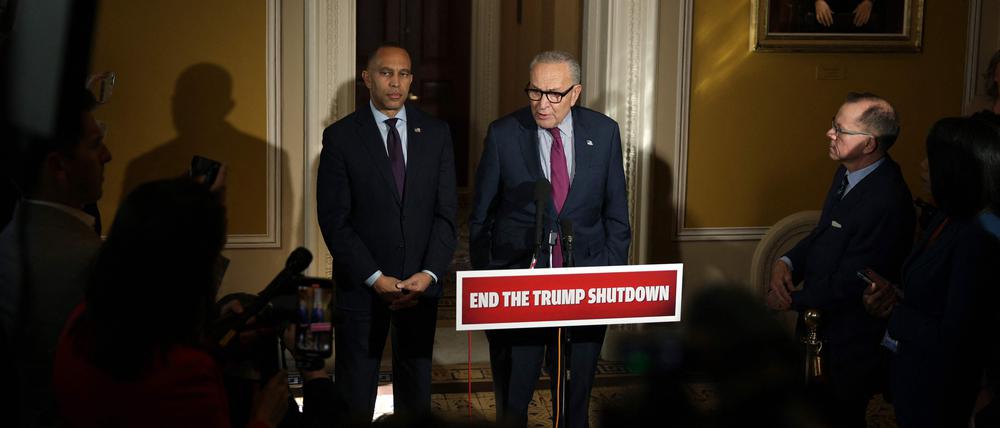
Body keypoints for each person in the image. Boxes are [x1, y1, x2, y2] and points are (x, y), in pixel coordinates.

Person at [468, 50, 631, 428]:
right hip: (518, 289)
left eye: (554, 94)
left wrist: (608, 276)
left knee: (576, 397)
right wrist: (493, 281)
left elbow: (616, 215)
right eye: (535, 92)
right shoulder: (503, 134)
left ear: (576, 93)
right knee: (514, 397)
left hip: (586, 286)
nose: (542, 104)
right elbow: (481, 217)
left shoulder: (604, 132)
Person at [52, 178, 293, 428]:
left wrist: (217, 334)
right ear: (187, 271)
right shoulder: (187, 373)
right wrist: (264, 418)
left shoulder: (81, 321)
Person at [316, 42, 458, 421]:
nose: (396, 83)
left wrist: (428, 274)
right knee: (354, 395)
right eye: (386, 72)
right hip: (362, 288)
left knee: (416, 396)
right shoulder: (341, 137)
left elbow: (447, 215)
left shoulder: (437, 133)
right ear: (367, 78)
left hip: (419, 288)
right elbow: (334, 220)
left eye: (404, 73)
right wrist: (375, 277)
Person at [766, 92, 915, 427]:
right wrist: (787, 263)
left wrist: (788, 299)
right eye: (834, 125)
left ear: (869, 144)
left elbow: (852, 281)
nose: (829, 133)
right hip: (819, 328)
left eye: (840, 129)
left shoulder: (886, 199)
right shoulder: (847, 172)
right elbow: (824, 234)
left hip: (850, 342)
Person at [863, 117, 1000, 427]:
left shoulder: (978, 234)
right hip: (913, 383)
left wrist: (892, 311)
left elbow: (956, 339)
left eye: (932, 158)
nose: (923, 165)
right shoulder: (947, 217)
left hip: (941, 395)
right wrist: (894, 294)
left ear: (956, 169)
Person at [0, 89, 112, 428]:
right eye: (95, 145)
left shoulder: (7, 239)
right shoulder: (90, 261)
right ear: (58, 166)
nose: (108, 155)